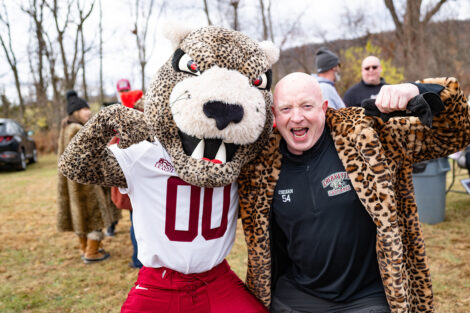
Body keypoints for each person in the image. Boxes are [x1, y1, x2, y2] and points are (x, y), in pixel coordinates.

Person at [238, 73, 470, 312]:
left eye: (307, 106)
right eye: (286, 108)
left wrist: (417, 89)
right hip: (299, 294)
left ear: (324, 108)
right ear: (275, 114)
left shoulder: (366, 135)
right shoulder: (259, 165)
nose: (297, 117)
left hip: (367, 297)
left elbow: (456, 134)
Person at [57, 90, 120, 264]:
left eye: (88, 109)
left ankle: (85, 248)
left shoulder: (66, 128)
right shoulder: (77, 129)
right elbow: (91, 155)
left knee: (80, 217)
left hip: (72, 182)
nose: (88, 112)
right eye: (84, 109)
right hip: (87, 181)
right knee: (94, 216)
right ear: (76, 112)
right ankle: (92, 253)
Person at [109, 78, 144, 269]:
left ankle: (139, 260)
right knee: (141, 223)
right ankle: (140, 260)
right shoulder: (147, 122)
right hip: (141, 185)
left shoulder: (123, 124)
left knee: (137, 223)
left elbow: (111, 152)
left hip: (135, 185)